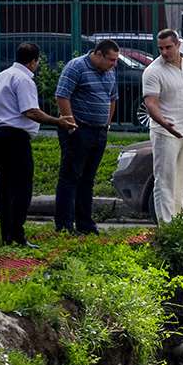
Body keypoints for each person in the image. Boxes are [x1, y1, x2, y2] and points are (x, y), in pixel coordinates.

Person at [0, 43, 76, 246]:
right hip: (15, 138)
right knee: (22, 188)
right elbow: (30, 111)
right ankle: (17, 235)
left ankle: (7, 234)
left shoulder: (4, 75)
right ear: (34, 61)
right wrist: (58, 121)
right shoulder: (24, 80)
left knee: (5, 187)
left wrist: (0, 112)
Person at [54, 40, 120, 234]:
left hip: (99, 131)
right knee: (70, 177)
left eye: (116, 60)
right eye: (111, 59)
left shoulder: (109, 71)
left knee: (88, 179)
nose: (114, 64)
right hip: (79, 129)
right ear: (98, 54)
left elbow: (112, 98)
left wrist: (107, 123)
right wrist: (71, 124)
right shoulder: (76, 67)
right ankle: (65, 225)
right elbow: (62, 95)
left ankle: (85, 224)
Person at [142, 29, 183, 223]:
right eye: (160, 48)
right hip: (164, 133)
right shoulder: (153, 71)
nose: (164, 52)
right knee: (165, 180)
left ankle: (180, 222)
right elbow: (150, 102)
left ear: (178, 45)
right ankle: (167, 227)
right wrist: (163, 121)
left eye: (168, 47)